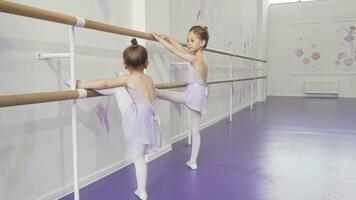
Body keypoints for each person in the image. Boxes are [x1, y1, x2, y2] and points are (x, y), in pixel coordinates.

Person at [77, 38, 158, 200]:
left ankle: (82, 85)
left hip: (136, 117)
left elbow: (106, 83)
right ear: (147, 64)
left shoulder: (128, 79)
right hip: (150, 118)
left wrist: (81, 83)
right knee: (140, 157)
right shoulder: (150, 79)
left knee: (117, 89)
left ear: (124, 64)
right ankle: (142, 191)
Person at [152, 25, 209, 170]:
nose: (188, 43)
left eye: (191, 40)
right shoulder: (199, 57)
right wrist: (170, 38)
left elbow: (175, 51)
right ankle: (193, 161)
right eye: (187, 40)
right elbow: (182, 49)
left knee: (159, 93)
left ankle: (147, 90)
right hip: (198, 94)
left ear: (201, 43)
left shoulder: (195, 59)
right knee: (195, 130)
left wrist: (159, 39)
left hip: (192, 94)